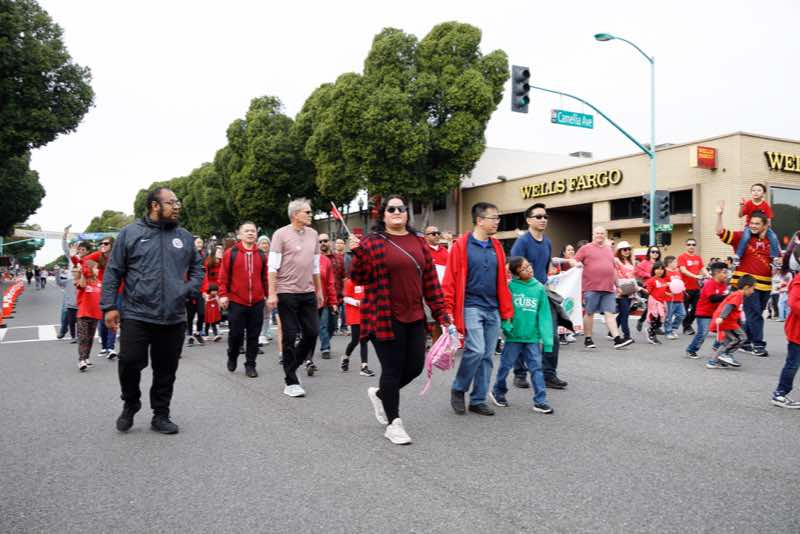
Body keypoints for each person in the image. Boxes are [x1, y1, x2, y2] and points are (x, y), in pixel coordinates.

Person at [349, 195, 449, 444]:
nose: (396, 212)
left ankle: (381, 394)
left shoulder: (419, 241)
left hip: (414, 315)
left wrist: (441, 314)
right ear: (383, 215)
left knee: (415, 367)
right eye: (391, 209)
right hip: (383, 316)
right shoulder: (371, 242)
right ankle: (393, 423)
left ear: (406, 213)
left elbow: (430, 282)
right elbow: (359, 277)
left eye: (400, 208)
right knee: (392, 369)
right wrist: (357, 253)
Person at [103, 187, 203, 435]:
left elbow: (197, 268)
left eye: (177, 202)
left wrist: (187, 289)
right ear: (155, 206)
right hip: (137, 313)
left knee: (166, 370)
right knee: (129, 362)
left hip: (173, 316)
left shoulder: (184, 236)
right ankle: (131, 402)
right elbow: (113, 271)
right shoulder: (130, 233)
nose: (177, 206)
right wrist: (109, 306)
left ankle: (161, 414)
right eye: (171, 202)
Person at [444, 202, 513, 417]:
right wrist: (447, 309)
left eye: (498, 218)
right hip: (471, 306)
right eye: (494, 218)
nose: (497, 222)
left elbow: (502, 281)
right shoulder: (461, 245)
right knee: (476, 350)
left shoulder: (497, 247)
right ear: (480, 220)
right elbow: (450, 279)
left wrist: (506, 312)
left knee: (487, 356)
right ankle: (458, 388)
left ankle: (478, 399)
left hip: (493, 308)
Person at [268, 198, 324, 398]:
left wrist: (319, 291)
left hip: (307, 292)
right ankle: (291, 381)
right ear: (295, 214)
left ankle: (293, 366)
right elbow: (272, 267)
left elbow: (315, 267)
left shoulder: (314, 234)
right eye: (307, 212)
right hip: (286, 292)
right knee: (290, 336)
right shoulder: (280, 234)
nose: (310, 215)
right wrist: (272, 293)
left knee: (312, 333)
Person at [510, 202, 568, 389]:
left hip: (543, 294)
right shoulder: (522, 242)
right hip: (525, 294)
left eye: (545, 217)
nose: (543, 219)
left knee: (551, 335)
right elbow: (515, 270)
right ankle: (520, 374)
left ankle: (549, 374)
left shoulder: (548, 242)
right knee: (523, 335)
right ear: (529, 220)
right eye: (539, 216)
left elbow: (545, 268)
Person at [489, 257, 554, 413]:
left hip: (532, 337)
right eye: (524, 269)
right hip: (513, 337)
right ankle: (498, 392)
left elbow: (544, 315)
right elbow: (504, 308)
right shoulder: (510, 287)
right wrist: (506, 326)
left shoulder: (539, 288)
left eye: (528, 266)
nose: (529, 269)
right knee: (505, 366)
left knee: (536, 369)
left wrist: (547, 340)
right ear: (516, 274)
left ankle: (540, 401)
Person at [716, 201, 772, 356]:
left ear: (764, 225)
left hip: (766, 285)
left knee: (756, 314)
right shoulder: (742, 237)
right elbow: (720, 232)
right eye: (752, 223)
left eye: (757, 224)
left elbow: (777, 259)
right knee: (755, 314)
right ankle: (758, 345)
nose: (753, 226)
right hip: (748, 284)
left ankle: (745, 341)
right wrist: (719, 215)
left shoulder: (771, 240)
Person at [218, 222, 269, 378]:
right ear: (239, 234)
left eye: (253, 231)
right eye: (246, 231)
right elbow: (223, 276)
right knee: (236, 334)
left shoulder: (261, 254)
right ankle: (232, 355)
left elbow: (265, 278)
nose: (250, 233)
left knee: (254, 336)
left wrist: (269, 296)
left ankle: (250, 365)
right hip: (236, 301)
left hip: (257, 302)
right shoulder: (231, 253)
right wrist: (223, 294)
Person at [573, 227, 634, 349]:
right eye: (597, 233)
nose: (599, 235)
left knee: (609, 313)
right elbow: (574, 260)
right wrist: (577, 264)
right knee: (589, 313)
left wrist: (618, 285)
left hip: (608, 288)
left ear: (605, 235)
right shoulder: (585, 248)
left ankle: (617, 339)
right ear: (593, 234)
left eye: (602, 233)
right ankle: (588, 338)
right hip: (591, 287)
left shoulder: (609, 250)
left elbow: (612, 269)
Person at [771, 243, 800, 408]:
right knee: (792, 364)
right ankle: (780, 393)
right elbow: (794, 303)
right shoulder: (798, 280)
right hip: (797, 332)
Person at [707, 275, 756, 369]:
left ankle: (713, 362)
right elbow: (729, 306)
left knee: (727, 342)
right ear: (746, 287)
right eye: (752, 288)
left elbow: (735, 310)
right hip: (726, 322)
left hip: (727, 321)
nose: (753, 291)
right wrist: (722, 317)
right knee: (742, 337)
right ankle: (726, 354)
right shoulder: (738, 295)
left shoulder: (739, 295)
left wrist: (740, 322)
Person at [685, 261, 729, 359]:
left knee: (725, 330)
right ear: (717, 273)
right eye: (724, 272)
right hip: (704, 313)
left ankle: (717, 347)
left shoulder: (723, 285)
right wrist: (727, 296)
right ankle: (691, 350)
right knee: (703, 333)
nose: (726, 275)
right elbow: (712, 299)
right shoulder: (710, 283)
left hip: (716, 313)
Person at [306, 243, 337, 374]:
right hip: (306, 301)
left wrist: (333, 301)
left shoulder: (326, 261)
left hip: (323, 302)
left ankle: (322, 346)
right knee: (311, 330)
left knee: (328, 326)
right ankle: (311, 358)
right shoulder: (304, 258)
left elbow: (330, 283)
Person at [736, 183, 781, 259]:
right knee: (745, 237)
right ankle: (738, 255)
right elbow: (740, 215)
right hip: (750, 226)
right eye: (753, 190)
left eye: (759, 190)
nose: (756, 192)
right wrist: (741, 206)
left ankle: (774, 257)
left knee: (774, 237)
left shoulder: (765, 205)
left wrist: (764, 232)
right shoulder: (748, 203)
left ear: (763, 193)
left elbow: (768, 221)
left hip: (763, 227)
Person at [341, 275, 374, 376]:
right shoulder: (350, 282)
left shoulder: (366, 281)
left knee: (364, 339)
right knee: (355, 341)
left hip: (366, 315)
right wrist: (357, 302)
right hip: (354, 316)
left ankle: (364, 367)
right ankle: (345, 357)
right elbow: (345, 298)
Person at [316, 233, 340, 362]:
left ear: (329, 242)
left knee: (332, 326)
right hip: (318, 300)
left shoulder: (335, 259)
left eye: (325, 241)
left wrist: (335, 300)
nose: (322, 243)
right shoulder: (311, 259)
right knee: (323, 325)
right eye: (320, 242)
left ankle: (325, 339)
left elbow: (339, 279)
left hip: (335, 296)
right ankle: (325, 348)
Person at [424, 225, 449, 344]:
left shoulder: (444, 251)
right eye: (433, 234)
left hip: (443, 292)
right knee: (430, 320)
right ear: (426, 236)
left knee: (440, 320)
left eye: (438, 233)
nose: (437, 235)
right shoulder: (423, 251)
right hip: (427, 292)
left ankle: (437, 346)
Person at [76, 260, 102, 371]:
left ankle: (86, 357)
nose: (98, 270)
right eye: (95, 268)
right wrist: (83, 273)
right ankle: (81, 360)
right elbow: (81, 285)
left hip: (95, 314)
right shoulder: (84, 281)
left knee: (90, 338)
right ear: (90, 269)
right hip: (83, 314)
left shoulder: (99, 282)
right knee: (83, 337)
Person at [678, 238, 707, 335]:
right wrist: (696, 276)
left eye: (693, 244)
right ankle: (686, 327)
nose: (691, 246)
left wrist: (709, 275)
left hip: (696, 288)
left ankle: (688, 324)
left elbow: (702, 268)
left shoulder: (698, 258)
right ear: (686, 246)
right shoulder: (682, 257)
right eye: (689, 244)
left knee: (696, 308)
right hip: (685, 288)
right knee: (685, 310)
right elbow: (683, 270)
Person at [613, 241, 638, 343]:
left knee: (624, 312)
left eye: (629, 249)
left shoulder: (630, 261)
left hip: (630, 289)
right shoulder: (616, 260)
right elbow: (614, 275)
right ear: (619, 251)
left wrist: (636, 288)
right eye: (624, 249)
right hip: (620, 289)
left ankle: (611, 331)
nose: (627, 251)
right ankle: (627, 335)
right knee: (625, 313)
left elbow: (633, 276)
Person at [635, 246, 662, 333]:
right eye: (653, 252)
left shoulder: (660, 263)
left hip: (659, 287)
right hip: (648, 287)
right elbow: (637, 271)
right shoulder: (644, 262)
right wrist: (648, 274)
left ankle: (655, 325)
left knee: (659, 307)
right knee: (652, 307)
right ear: (649, 253)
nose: (655, 253)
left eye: (657, 252)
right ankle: (649, 324)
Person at [644, 262, 671, 345]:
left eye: (662, 269)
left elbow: (662, 291)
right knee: (655, 317)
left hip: (661, 302)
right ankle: (651, 335)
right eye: (657, 269)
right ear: (654, 270)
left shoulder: (663, 280)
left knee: (660, 319)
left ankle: (650, 330)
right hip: (654, 301)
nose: (660, 271)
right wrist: (640, 289)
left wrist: (669, 293)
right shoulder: (651, 280)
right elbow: (648, 291)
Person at [663, 256, 686, 340]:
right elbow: (662, 283)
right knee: (669, 316)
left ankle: (673, 328)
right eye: (675, 262)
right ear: (669, 263)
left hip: (679, 297)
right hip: (670, 297)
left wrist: (683, 287)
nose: (677, 264)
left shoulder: (677, 272)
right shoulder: (665, 272)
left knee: (682, 314)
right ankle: (668, 332)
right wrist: (668, 284)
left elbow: (680, 282)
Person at [257, 235, 272, 349]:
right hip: (260, 288)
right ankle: (259, 334)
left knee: (267, 313)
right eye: (262, 243)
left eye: (266, 243)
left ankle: (264, 333)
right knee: (259, 314)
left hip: (271, 287)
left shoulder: (273, 256)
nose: (265, 245)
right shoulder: (257, 256)